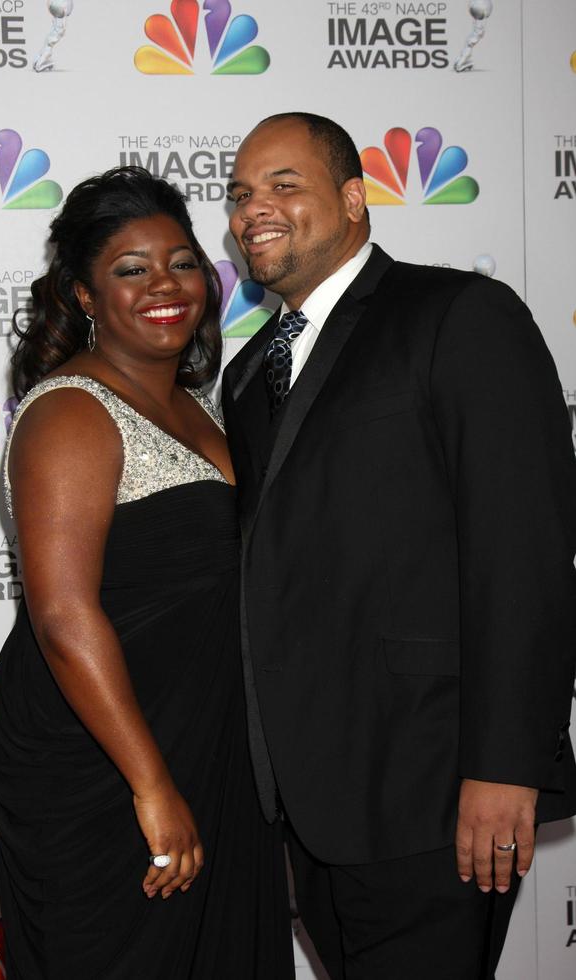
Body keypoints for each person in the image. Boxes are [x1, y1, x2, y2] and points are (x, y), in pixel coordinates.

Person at [222, 112, 576, 979]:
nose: (252, 209)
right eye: (238, 194)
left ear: (353, 198)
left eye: (283, 185)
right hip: (304, 808)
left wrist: (505, 765)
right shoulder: (245, 372)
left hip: (436, 789)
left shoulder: (459, 315)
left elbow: (523, 552)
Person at [0, 166, 294, 979]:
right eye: (131, 268)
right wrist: (150, 785)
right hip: (102, 765)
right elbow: (62, 614)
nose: (165, 284)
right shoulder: (70, 411)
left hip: (209, 741)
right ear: (84, 295)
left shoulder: (207, 406)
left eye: (182, 261)